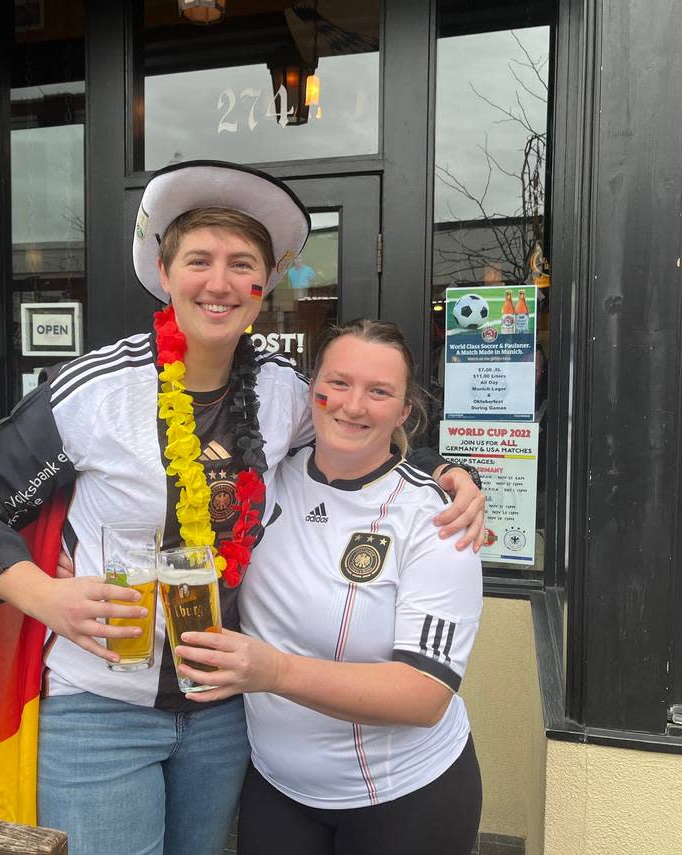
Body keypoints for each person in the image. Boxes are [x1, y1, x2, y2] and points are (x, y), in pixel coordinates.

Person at [0, 161, 486, 855]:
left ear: (263, 287)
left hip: (225, 715)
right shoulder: (92, 391)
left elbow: (362, 436)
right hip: (99, 707)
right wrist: (47, 597)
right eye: (199, 260)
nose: (218, 283)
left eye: (241, 265)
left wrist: (451, 473)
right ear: (165, 274)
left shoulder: (287, 392)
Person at [175, 320, 483, 855]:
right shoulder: (262, 477)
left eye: (379, 391)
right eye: (338, 384)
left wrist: (272, 671)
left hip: (403, 797)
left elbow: (425, 696)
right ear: (310, 392)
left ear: (405, 411)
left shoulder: (435, 517)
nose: (354, 406)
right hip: (276, 788)